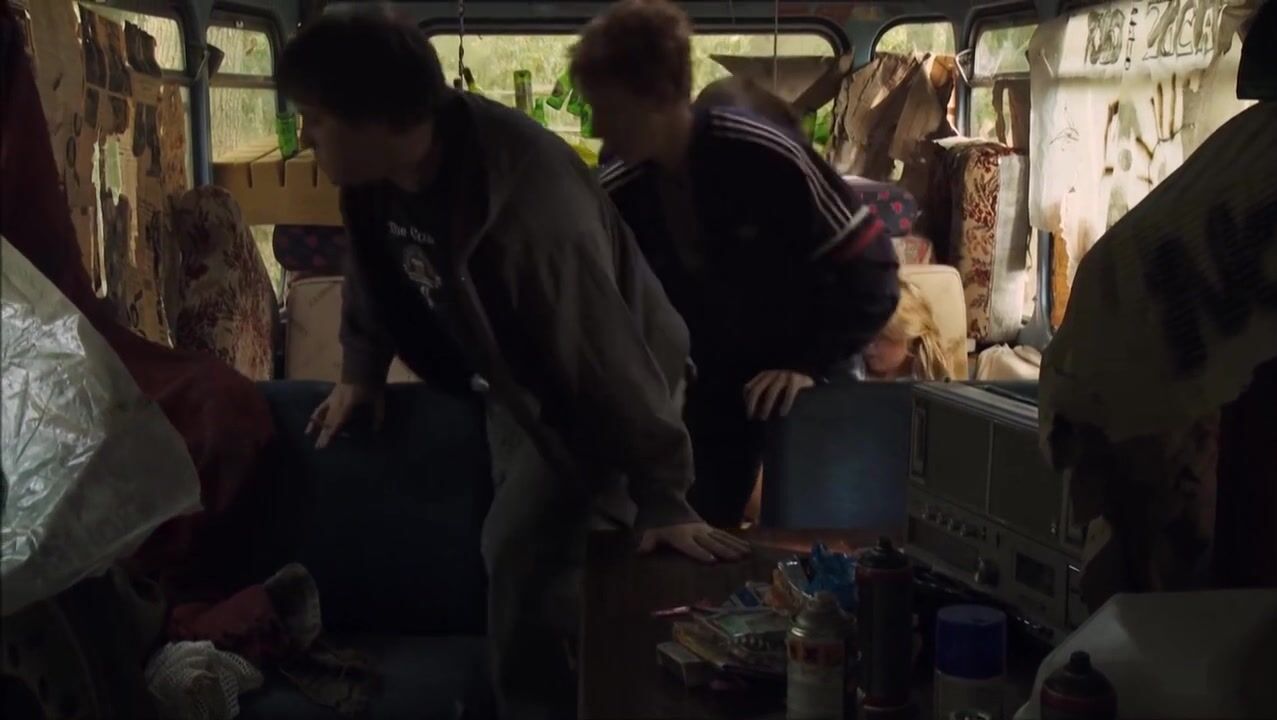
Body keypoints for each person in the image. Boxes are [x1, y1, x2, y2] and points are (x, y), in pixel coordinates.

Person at [274, 10, 749, 719]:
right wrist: (361, 370)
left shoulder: (529, 204)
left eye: (316, 118)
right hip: (509, 375)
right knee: (523, 544)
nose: (305, 135)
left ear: (381, 119)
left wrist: (661, 490)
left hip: (608, 384)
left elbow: (604, 355)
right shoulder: (371, 177)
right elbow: (372, 271)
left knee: (524, 550)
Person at [571, 0, 900, 528]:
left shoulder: (760, 152)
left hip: (815, 354)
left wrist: (807, 363)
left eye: (607, 108)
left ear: (655, 96)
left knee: (827, 526)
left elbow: (874, 271)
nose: (599, 128)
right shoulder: (619, 187)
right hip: (713, 379)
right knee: (699, 523)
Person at [845, 278, 954, 381]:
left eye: (882, 337)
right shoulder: (850, 366)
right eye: (865, 333)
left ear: (910, 338)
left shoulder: (931, 373)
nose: (868, 346)